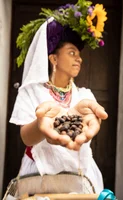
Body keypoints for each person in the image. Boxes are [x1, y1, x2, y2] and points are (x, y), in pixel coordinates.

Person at [9, 0, 108, 195]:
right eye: (72, 53)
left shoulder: (84, 96)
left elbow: (89, 124)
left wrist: (89, 121)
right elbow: (26, 138)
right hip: (38, 179)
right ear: (53, 58)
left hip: (80, 181)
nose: (78, 58)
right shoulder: (31, 92)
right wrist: (40, 125)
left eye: (79, 54)